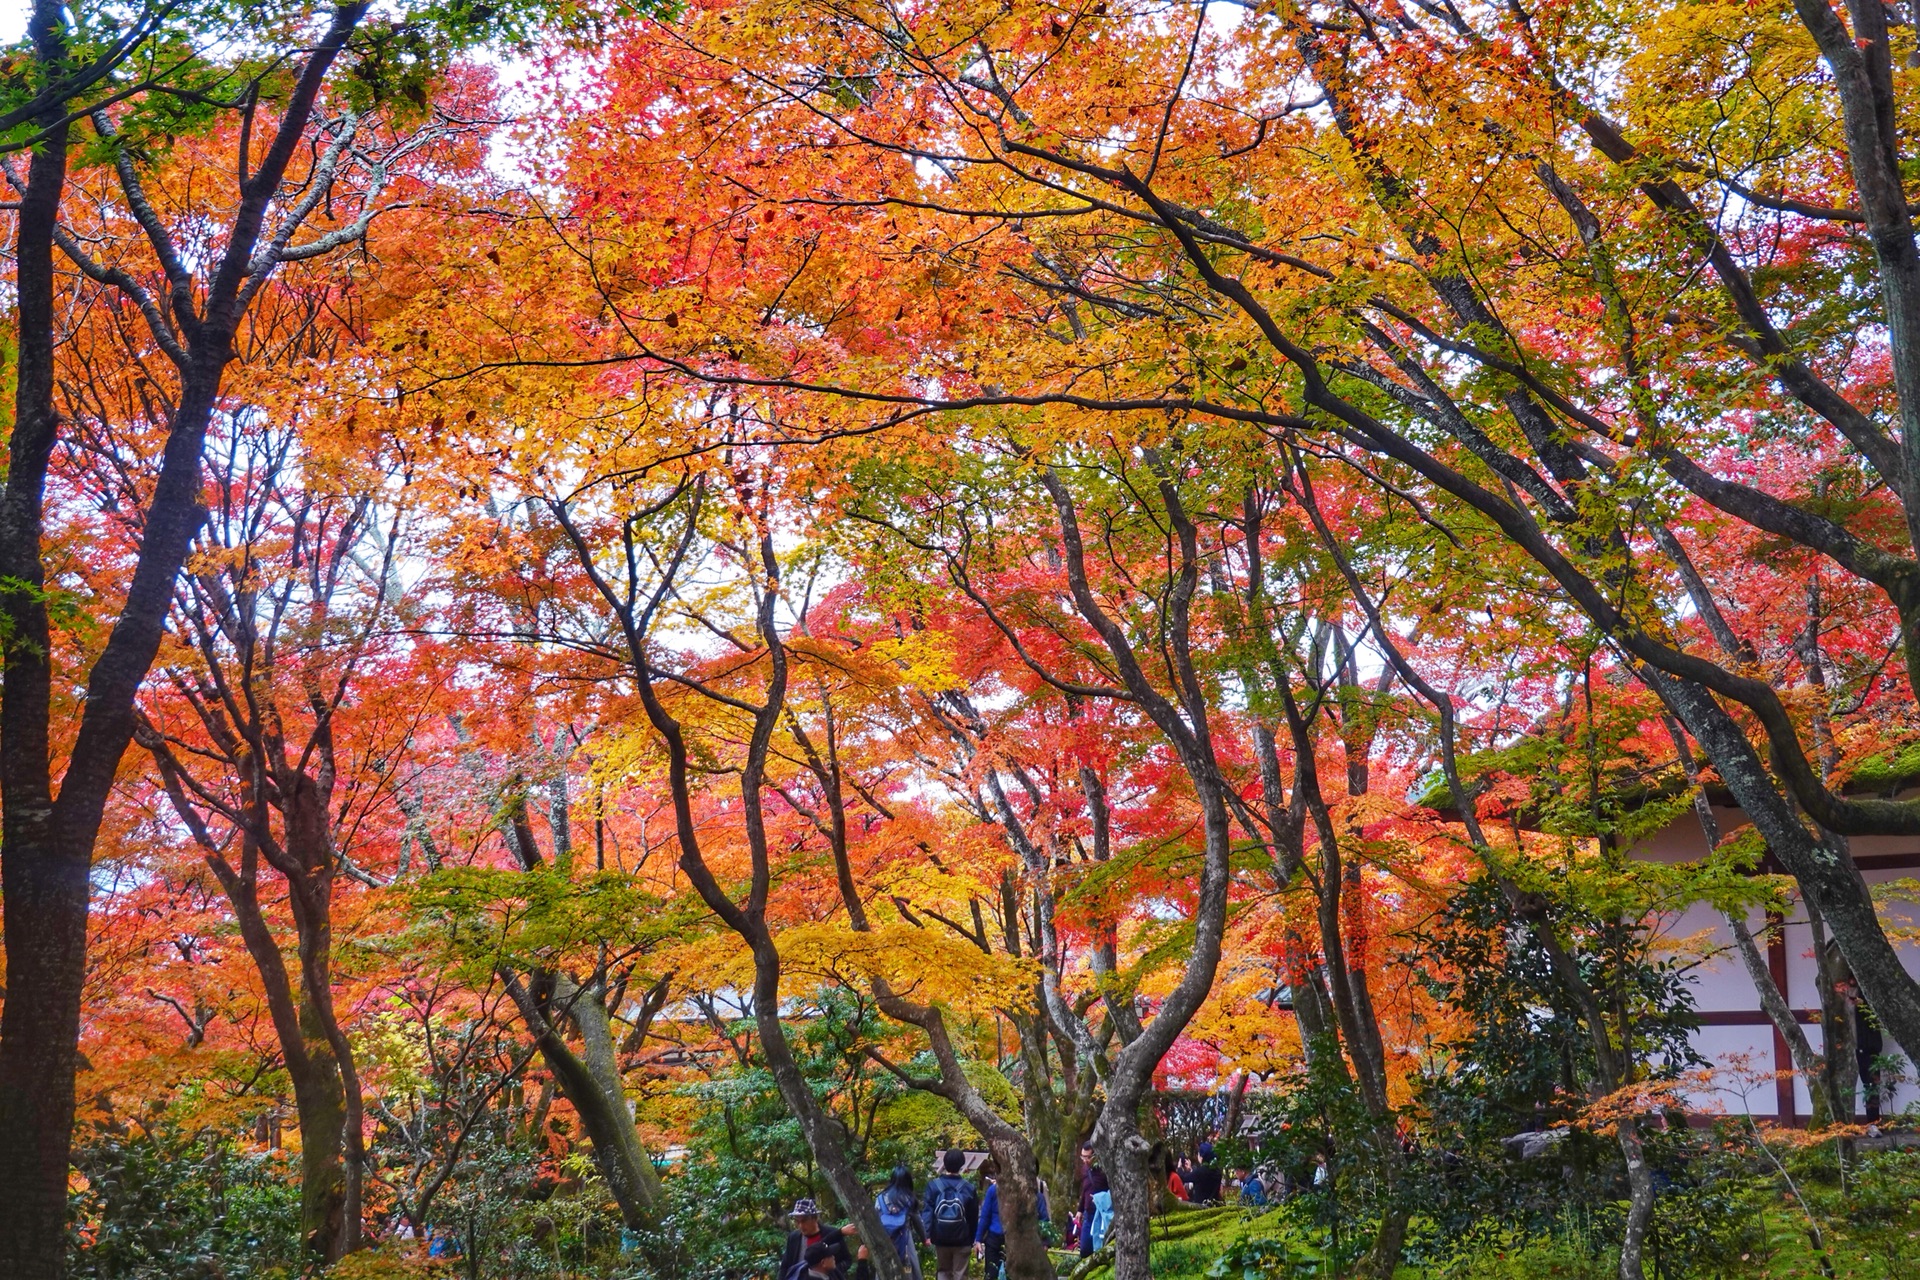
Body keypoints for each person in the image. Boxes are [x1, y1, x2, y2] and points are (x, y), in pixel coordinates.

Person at [922, 1149, 979, 1280]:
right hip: (962, 1239)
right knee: (960, 1274)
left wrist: (927, 1235)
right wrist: (972, 1239)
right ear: (962, 1165)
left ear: (944, 1163)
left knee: (943, 1272)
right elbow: (973, 1217)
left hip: (940, 1237)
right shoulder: (968, 1188)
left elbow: (927, 1212)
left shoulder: (933, 1186)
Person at [780, 1198, 856, 1280]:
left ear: (815, 1218)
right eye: (797, 1221)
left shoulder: (831, 1233)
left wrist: (831, 1272)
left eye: (804, 1221)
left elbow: (847, 1260)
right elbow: (785, 1265)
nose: (801, 1225)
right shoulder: (793, 1238)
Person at [877, 1164, 926, 1280]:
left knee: (883, 1269)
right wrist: (925, 1238)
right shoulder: (909, 1199)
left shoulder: (880, 1199)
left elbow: (876, 1219)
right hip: (905, 1242)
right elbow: (917, 1221)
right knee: (909, 1269)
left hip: (884, 1240)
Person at [1076, 1143, 1107, 1258]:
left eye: (1088, 1157)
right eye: (1083, 1157)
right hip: (1088, 1214)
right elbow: (1085, 1190)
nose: (1085, 1160)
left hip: (1101, 1214)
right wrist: (1080, 1210)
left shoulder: (1104, 1170)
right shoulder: (1084, 1170)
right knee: (1084, 1249)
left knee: (1099, 1248)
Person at [792, 1237, 875, 1280]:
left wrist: (840, 1232)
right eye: (830, 1255)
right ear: (823, 1263)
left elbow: (826, 1238)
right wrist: (862, 1261)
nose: (833, 1257)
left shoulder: (830, 1272)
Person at [974, 1167, 1004, 1280]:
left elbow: (985, 1216)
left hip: (994, 1235)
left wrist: (979, 1239)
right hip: (1013, 1236)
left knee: (991, 1272)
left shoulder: (993, 1190)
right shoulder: (1018, 1190)